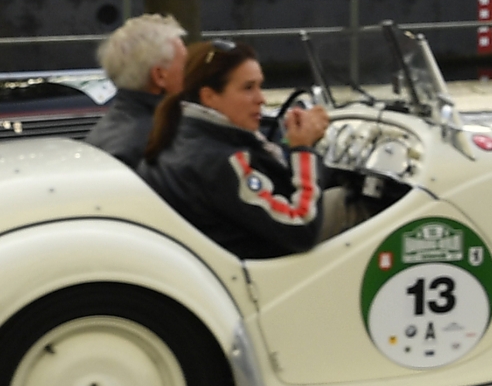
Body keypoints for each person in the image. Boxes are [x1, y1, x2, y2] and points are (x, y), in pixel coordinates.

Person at [141, 40, 333, 260]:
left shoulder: (174, 133)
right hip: (262, 265)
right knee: (357, 210)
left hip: (216, 255)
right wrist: (303, 150)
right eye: (248, 88)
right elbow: (301, 226)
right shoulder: (223, 160)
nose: (261, 99)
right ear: (209, 97)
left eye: (260, 86)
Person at [86, 13, 187, 165]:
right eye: (185, 65)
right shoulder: (155, 143)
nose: (191, 73)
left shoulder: (104, 131)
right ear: (160, 76)